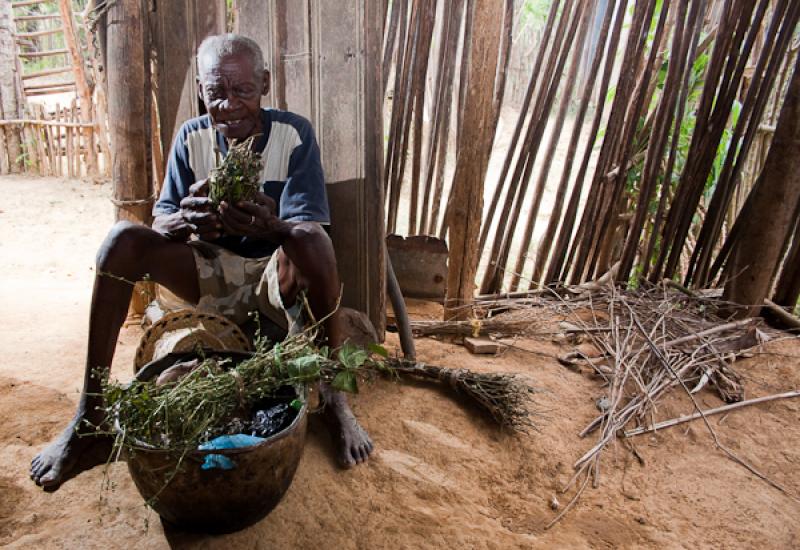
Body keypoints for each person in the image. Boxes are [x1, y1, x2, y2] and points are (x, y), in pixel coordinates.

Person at [30, 34, 374, 490]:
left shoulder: (293, 134)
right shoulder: (192, 136)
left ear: (265, 84)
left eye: (242, 91)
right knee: (121, 241)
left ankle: (333, 397)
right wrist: (183, 221)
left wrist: (270, 225)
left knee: (308, 236)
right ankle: (90, 416)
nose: (228, 105)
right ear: (201, 89)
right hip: (208, 274)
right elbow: (162, 217)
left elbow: (309, 231)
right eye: (216, 93)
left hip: (274, 278)